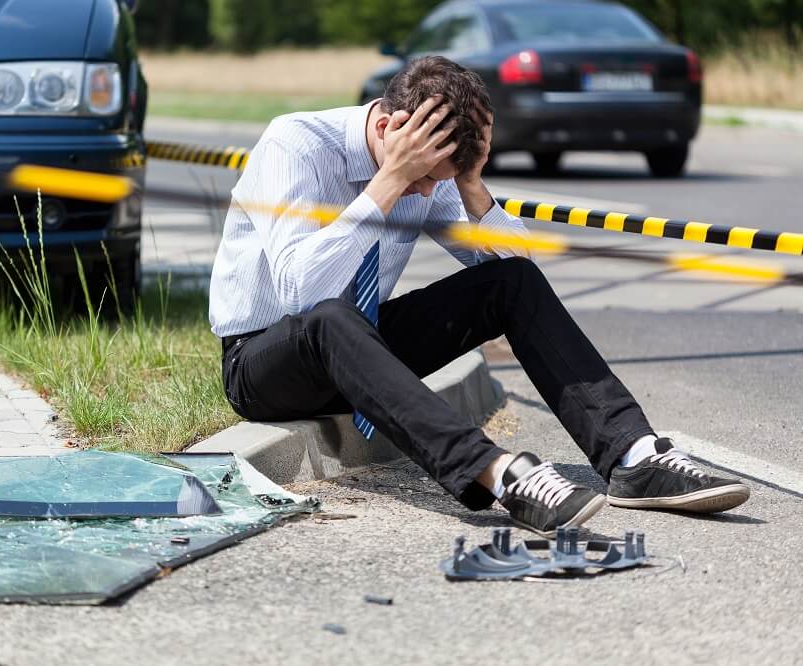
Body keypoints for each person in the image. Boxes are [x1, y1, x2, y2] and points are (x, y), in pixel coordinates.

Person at [208, 56, 749, 536]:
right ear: (390, 128)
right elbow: (300, 293)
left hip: (361, 345)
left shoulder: (433, 167)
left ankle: (632, 455)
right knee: (330, 316)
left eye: (436, 179)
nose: (425, 190)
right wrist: (389, 183)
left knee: (510, 282)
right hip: (266, 362)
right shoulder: (296, 145)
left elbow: (518, 265)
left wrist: (470, 185)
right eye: (423, 177)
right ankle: (499, 474)